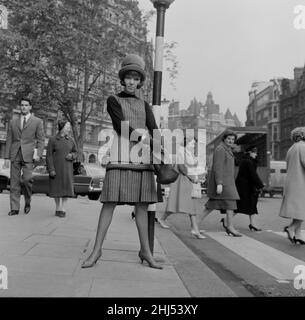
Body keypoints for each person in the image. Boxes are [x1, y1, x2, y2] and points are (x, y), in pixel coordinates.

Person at [81, 54, 163, 269]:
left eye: (136, 79)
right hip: (120, 156)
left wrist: (162, 149)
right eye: (129, 77)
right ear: (123, 79)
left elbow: (155, 129)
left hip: (142, 159)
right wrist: (147, 139)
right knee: (109, 203)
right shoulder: (113, 100)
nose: (132, 82)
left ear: (140, 81)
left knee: (142, 206)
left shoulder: (145, 105)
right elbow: (120, 126)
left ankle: (145, 251)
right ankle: (96, 250)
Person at [157, 137, 206, 239]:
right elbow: (182, 168)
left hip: (185, 181)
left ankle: (194, 228)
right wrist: (193, 178)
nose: (193, 146)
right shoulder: (181, 152)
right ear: (186, 143)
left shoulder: (188, 153)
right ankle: (194, 229)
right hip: (181, 180)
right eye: (192, 144)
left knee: (182, 204)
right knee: (183, 204)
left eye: (194, 144)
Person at [4, 97, 45, 216]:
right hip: (15, 154)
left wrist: (38, 154)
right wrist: (7, 157)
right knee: (14, 182)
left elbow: (41, 139)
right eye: (22, 105)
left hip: (29, 155)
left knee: (27, 180)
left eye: (26, 105)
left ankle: (28, 201)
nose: (23, 107)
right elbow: (9, 139)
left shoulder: (37, 121)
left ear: (30, 107)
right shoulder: (13, 121)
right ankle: (14, 208)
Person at [198, 129, 242, 236]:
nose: (231, 141)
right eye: (229, 139)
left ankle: (195, 225)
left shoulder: (227, 149)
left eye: (233, 139)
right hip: (224, 184)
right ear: (224, 139)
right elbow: (218, 167)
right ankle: (230, 227)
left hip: (227, 183)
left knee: (211, 206)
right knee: (229, 204)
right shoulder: (221, 149)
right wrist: (219, 183)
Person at [279, 127, 305, 245]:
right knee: (302, 209)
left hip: (293, 182)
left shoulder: (291, 148)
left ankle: (298, 234)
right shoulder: (303, 146)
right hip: (300, 182)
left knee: (298, 210)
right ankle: (291, 228)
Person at [46, 120, 77, 218]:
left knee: (65, 189)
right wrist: (51, 169)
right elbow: (49, 156)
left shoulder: (71, 140)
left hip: (67, 169)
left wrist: (72, 156)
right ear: (62, 127)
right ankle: (57, 207)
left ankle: (63, 208)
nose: (69, 128)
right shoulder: (53, 139)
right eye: (68, 126)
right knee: (56, 189)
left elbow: (76, 152)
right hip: (56, 168)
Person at [234, 145, 264, 231]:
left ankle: (253, 224)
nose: (256, 154)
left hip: (247, 187)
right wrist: (260, 185)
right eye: (254, 152)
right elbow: (253, 175)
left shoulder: (248, 161)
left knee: (252, 206)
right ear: (249, 153)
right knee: (240, 206)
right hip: (245, 188)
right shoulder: (248, 162)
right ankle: (226, 220)